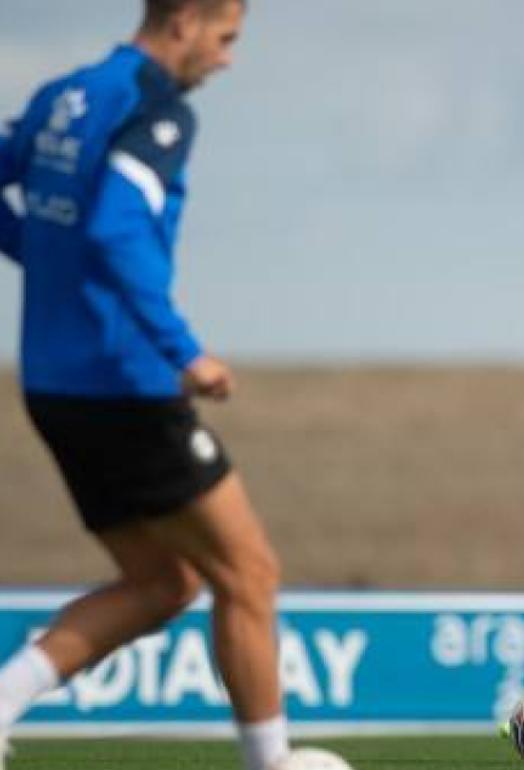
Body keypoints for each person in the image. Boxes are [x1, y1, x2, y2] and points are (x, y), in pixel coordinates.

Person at [0, 2, 326, 768]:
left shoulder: (64, 97)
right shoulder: (156, 107)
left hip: (50, 385)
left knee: (163, 581)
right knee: (249, 572)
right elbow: (115, 227)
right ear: (183, 21)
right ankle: (270, 762)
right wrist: (185, 351)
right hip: (127, 385)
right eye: (225, 38)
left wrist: (44, 258)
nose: (226, 59)